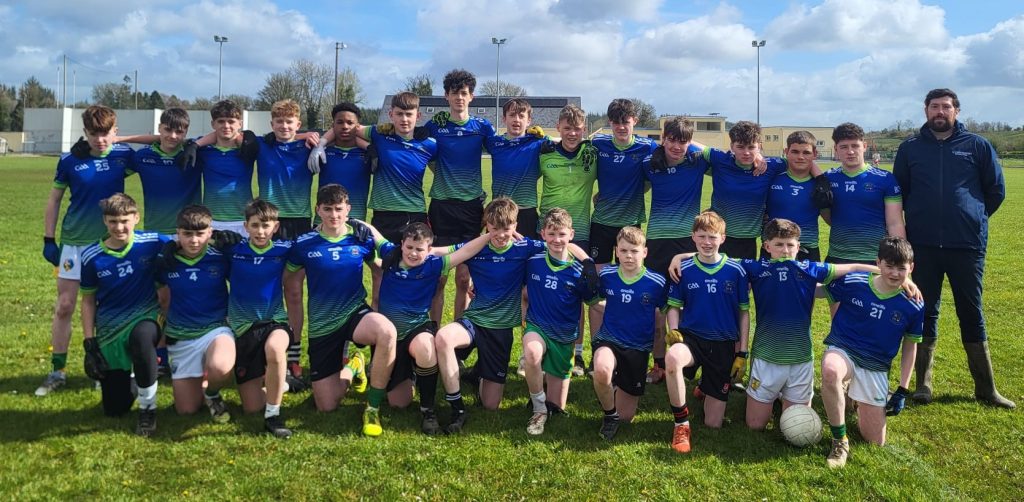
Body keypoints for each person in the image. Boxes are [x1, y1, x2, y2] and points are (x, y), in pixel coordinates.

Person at [893, 88, 1013, 409]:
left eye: (946, 106)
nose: (940, 112)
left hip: (966, 245)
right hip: (923, 246)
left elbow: (995, 191)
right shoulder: (910, 148)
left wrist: (972, 217)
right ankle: (923, 385)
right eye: (934, 106)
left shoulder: (977, 145)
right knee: (924, 310)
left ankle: (986, 389)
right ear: (926, 110)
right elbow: (899, 192)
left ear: (956, 111)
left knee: (971, 312)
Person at [733, 218, 885, 430]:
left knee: (798, 424)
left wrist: (891, 275)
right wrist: (685, 256)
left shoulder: (809, 269)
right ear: (767, 246)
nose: (785, 250)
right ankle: (774, 393)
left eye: (790, 245)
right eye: (779, 244)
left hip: (800, 359)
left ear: (798, 247)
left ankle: (782, 393)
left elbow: (852, 267)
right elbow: (717, 260)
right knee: (755, 425)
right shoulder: (756, 268)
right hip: (766, 357)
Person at [284, 184, 397, 436]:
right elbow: (290, 286)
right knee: (327, 405)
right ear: (318, 210)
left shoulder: (360, 238)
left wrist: (378, 306)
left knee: (387, 331)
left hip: (354, 313)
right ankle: (354, 366)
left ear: (348, 209)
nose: (333, 215)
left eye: (338, 209)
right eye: (327, 209)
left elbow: (379, 269)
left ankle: (372, 407)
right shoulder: (303, 244)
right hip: (322, 324)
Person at [38, 105, 136, 396]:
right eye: (94, 134)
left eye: (106, 134)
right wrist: (49, 239)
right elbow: (54, 200)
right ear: (85, 133)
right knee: (65, 305)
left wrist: (121, 140)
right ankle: (57, 371)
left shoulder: (123, 155)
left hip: (109, 244)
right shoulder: (70, 159)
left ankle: (102, 367)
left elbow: (160, 141)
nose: (100, 140)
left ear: (115, 131)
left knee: (106, 307)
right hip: (75, 244)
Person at [434, 197, 544, 433]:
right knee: (443, 337)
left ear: (515, 225)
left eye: (506, 229)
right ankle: (457, 408)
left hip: (500, 331)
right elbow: (441, 252)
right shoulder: (476, 247)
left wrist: (587, 262)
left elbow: (562, 246)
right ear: (486, 225)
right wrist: (406, 252)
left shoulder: (525, 247)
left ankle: (478, 373)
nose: (501, 235)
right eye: (494, 229)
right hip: (474, 321)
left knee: (490, 405)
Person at [376, 223, 492, 435]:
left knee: (427, 347)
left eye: (419, 249)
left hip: (416, 329)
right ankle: (409, 374)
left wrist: (490, 234)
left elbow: (465, 250)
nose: (413, 253)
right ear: (401, 244)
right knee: (398, 403)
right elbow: (374, 235)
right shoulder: (390, 255)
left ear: (429, 250)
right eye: (409, 247)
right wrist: (354, 222)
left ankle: (428, 410)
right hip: (389, 338)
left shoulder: (434, 265)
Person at [820, 237, 924, 468]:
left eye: (901, 268)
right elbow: (818, 291)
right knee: (830, 371)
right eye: (889, 266)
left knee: (875, 441)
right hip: (844, 349)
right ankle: (840, 440)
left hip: (875, 364)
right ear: (878, 263)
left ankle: (854, 396)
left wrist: (903, 389)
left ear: (911, 268)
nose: (895, 273)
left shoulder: (913, 303)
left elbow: (910, 346)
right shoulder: (854, 281)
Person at [79, 193, 168, 436]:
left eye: (125, 221)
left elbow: (189, 239)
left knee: (141, 338)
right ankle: (137, 378)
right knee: (114, 409)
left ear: (136, 218)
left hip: (146, 315)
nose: (119, 227)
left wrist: (222, 239)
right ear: (105, 221)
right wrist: (89, 342)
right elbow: (88, 301)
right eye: (113, 221)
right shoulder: (91, 256)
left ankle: (147, 409)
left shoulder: (152, 241)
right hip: (111, 328)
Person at [225, 199, 314, 438]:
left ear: (276, 227)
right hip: (243, 328)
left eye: (266, 225)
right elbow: (198, 243)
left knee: (275, 349)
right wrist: (216, 238)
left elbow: (317, 241)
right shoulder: (233, 250)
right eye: (255, 225)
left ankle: (273, 415)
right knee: (251, 407)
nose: (261, 231)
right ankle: (282, 384)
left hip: (274, 322)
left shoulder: (284, 249)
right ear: (245, 226)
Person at [663, 210, 749, 454]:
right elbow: (673, 306)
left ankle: (704, 386)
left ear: (723, 238)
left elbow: (744, 313)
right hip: (692, 339)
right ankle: (681, 424)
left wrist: (742, 352)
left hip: (723, 343)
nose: (707, 242)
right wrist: (674, 331)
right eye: (701, 236)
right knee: (673, 358)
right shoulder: (684, 268)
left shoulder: (736, 270)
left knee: (713, 423)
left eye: (712, 237)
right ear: (693, 237)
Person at [585, 99, 659, 375]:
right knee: (600, 290)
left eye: (625, 122)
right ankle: (598, 350)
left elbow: (677, 150)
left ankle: (630, 347)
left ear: (634, 121)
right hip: (601, 226)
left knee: (631, 288)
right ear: (610, 123)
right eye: (615, 122)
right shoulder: (599, 144)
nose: (620, 127)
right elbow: (571, 140)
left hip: (630, 228)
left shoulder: (647, 147)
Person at [521, 208, 600, 436]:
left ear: (571, 234)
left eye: (562, 234)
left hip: (564, 336)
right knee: (532, 353)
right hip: (537, 326)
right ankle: (538, 408)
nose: (557, 239)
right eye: (552, 234)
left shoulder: (579, 270)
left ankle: (545, 390)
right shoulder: (533, 261)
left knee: (556, 406)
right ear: (543, 234)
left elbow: (594, 303)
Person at [155, 205, 236, 425]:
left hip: (216, 329)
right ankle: (201, 384)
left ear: (210, 232)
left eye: (200, 233)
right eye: (187, 234)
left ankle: (212, 393)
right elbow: (160, 300)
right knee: (187, 410)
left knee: (220, 367)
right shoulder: (165, 261)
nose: (193, 240)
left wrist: (236, 244)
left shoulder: (220, 257)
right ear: (178, 233)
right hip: (181, 336)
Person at [426, 69, 496, 324]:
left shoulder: (482, 128)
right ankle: (433, 330)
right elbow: (417, 148)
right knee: (439, 277)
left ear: (471, 96)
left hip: (471, 210)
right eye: (454, 93)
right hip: (442, 207)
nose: (459, 98)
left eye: (464, 93)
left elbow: (504, 148)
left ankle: (459, 332)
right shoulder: (435, 126)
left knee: (464, 278)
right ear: (446, 96)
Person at [643, 117, 708, 384]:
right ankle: (659, 364)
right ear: (663, 138)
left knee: (690, 304)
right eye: (671, 140)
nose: (677, 147)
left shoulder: (698, 161)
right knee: (657, 308)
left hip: (687, 242)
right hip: (657, 242)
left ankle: (687, 361)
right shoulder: (650, 164)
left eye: (683, 141)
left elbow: (726, 156)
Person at [537, 104, 598, 376]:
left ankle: (577, 352)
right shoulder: (544, 152)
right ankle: (536, 348)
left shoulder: (592, 154)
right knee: (537, 291)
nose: (572, 133)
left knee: (576, 294)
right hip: (546, 232)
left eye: (577, 128)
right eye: (567, 128)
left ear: (584, 129)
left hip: (578, 233)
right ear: (558, 128)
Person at [591, 227, 668, 440]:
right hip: (609, 338)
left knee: (626, 417)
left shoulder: (657, 282)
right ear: (616, 251)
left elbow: (664, 313)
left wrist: (666, 342)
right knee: (601, 370)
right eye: (623, 251)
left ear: (645, 252)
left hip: (638, 347)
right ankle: (609, 416)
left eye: (634, 251)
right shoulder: (607, 275)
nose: (628, 256)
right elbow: (594, 302)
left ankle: (614, 391)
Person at [822, 122, 905, 264]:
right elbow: (827, 215)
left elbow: (895, 223)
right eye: (844, 147)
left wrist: (900, 258)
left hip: (876, 258)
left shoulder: (885, 179)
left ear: (864, 146)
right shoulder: (827, 178)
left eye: (855, 146)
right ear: (836, 149)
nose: (850, 152)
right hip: (837, 257)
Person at [700, 121, 785, 260]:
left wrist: (819, 178)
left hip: (748, 240)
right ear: (732, 146)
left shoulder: (771, 166)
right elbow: (689, 143)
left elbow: (804, 161)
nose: (746, 152)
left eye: (751, 147)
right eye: (740, 147)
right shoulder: (721, 160)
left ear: (760, 146)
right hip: (717, 236)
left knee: (745, 274)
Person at [131, 108, 202, 235]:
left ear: (186, 132)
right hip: (154, 231)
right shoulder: (141, 156)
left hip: (189, 231)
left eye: (179, 132)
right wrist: (116, 139)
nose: (173, 136)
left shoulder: (196, 153)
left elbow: (216, 137)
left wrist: (193, 144)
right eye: (168, 129)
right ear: (159, 128)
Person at [253, 99, 316, 241]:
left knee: (300, 256)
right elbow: (232, 135)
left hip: (300, 217)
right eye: (279, 121)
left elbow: (335, 135)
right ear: (272, 124)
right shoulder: (261, 144)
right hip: (269, 216)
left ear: (298, 124)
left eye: (289, 121)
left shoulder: (309, 146)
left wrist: (307, 136)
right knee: (271, 256)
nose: (284, 126)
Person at [484, 98, 547, 239]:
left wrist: (547, 137)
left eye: (521, 116)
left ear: (529, 121)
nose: (516, 120)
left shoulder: (537, 142)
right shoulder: (494, 143)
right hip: (499, 212)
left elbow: (564, 142)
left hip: (526, 213)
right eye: (512, 115)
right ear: (504, 119)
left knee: (527, 252)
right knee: (496, 252)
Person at [765, 131, 829, 261]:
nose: (800, 157)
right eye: (795, 152)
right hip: (774, 249)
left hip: (808, 248)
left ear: (815, 154)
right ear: (786, 152)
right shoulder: (771, 178)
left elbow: (829, 218)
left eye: (806, 152)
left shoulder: (822, 184)